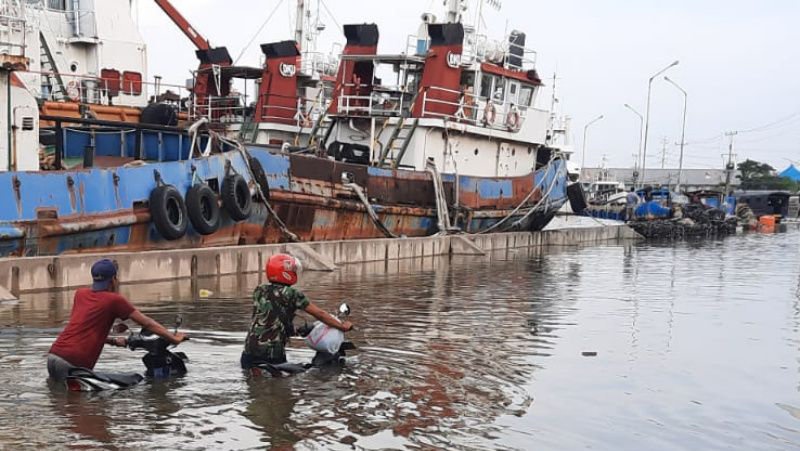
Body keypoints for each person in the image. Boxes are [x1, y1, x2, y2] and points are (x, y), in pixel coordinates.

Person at [47, 259, 187, 382]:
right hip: (73, 362)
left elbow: (81, 329)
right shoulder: (114, 300)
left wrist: (112, 341)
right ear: (114, 279)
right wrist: (174, 339)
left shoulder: (80, 294)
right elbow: (147, 323)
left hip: (54, 357)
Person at [241, 253, 353, 369]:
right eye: (293, 270)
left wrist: (295, 330)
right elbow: (320, 314)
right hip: (272, 353)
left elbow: (270, 317)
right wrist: (343, 326)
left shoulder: (259, 290)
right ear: (285, 272)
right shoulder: (292, 294)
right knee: (288, 382)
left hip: (249, 351)